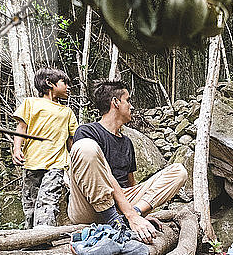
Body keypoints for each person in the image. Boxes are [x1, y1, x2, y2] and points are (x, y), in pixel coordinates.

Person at [68, 80, 188, 244]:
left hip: (123, 205)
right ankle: (116, 221)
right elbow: (105, 175)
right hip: (88, 206)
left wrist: (138, 214)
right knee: (85, 147)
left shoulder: (127, 143)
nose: (131, 106)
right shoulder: (87, 131)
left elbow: (131, 184)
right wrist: (129, 213)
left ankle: (125, 220)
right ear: (115, 102)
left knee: (179, 171)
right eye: (128, 100)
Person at [12, 68, 78, 228]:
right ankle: (31, 239)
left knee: (48, 202)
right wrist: (16, 149)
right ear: (49, 83)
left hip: (55, 165)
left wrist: (76, 163)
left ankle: (43, 236)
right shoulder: (30, 103)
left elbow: (71, 141)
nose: (69, 87)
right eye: (65, 83)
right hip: (31, 163)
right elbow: (21, 127)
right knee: (30, 204)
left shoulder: (67, 112)